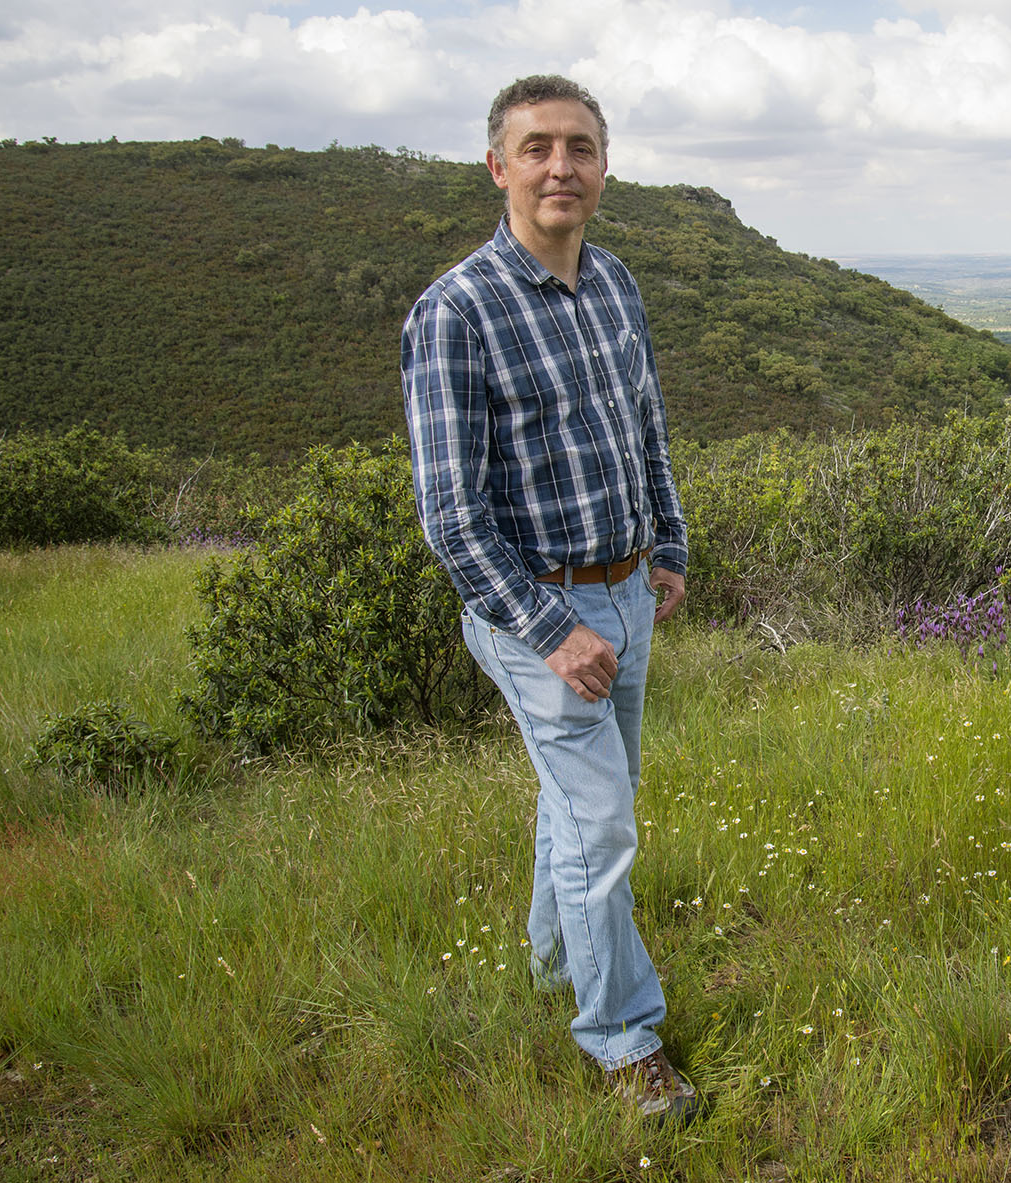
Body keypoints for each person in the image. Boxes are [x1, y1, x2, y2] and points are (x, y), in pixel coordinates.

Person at [401, 74, 696, 1120]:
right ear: (498, 168)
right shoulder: (457, 311)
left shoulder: (613, 282)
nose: (559, 166)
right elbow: (451, 513)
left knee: (575, 811)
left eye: (578, 147)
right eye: (536, 149)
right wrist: (554, 629)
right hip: (541, 618)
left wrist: (666, 542)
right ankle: (621, 1041)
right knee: (603, 827)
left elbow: (644, 425)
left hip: (625, 590)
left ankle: (545, 963)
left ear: (604, 167)